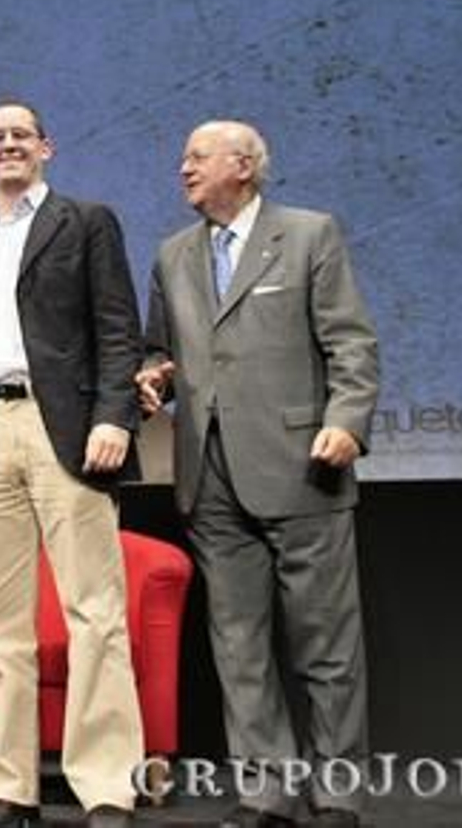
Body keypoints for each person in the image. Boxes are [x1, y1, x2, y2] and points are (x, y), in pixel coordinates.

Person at [136, 120, 379, 828]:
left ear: (243, 165)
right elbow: (165, 351)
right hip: (209, 476)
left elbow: (352, 343)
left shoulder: (308, 235)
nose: (183, 168)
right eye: (183, 156)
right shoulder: (173, 254)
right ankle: (264, 793)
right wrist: (154, 378)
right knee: (239, 646)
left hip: (301, 465)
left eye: (197, 157)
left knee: (325, 646)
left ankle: (336, 794)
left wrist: (348, 420)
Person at [0, 102, 145, 828]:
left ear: (46, 148)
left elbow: (117, 328)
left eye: (21, 135)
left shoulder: (86, 221)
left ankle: (105, 787)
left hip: (62, 425)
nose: (8, 145)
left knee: (94, 612)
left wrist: (112, 416)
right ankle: (9, 787)